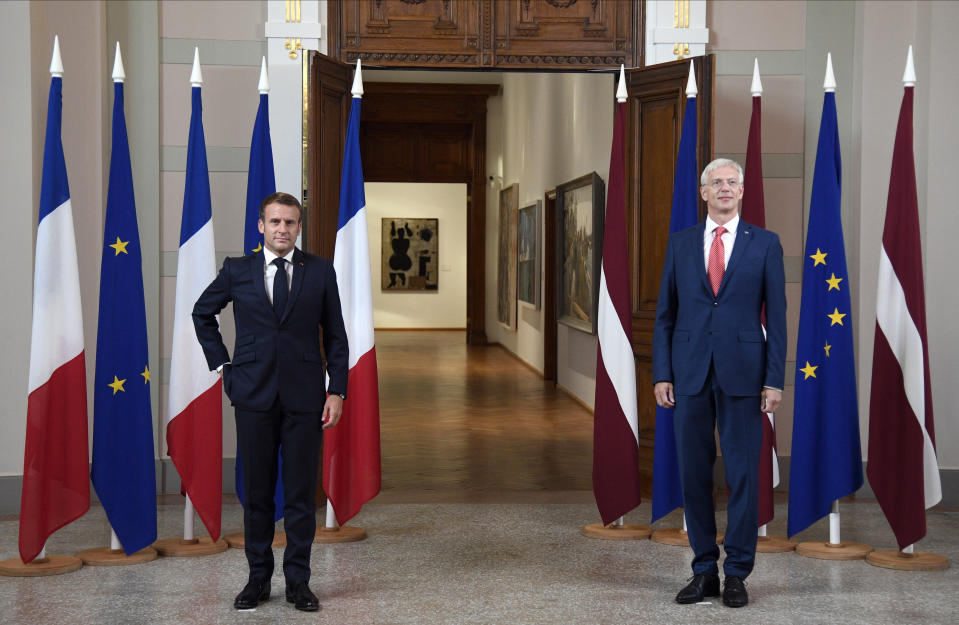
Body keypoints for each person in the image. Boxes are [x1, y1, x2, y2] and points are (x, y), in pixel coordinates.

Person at [193, 192, 349, 612]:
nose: (283, 230)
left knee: (300, 496)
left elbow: (336, 335)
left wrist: (337, 390)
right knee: (258, 494)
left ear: (299, 227)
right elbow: (201, 314)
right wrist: (223, 365)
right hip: (252, 395)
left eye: (291, 223)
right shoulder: (238, 270)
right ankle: (257, 580)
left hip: (305, 398)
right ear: (260, 226)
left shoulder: (318, 271)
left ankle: (299, 582)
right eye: (276, 222)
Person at [652, 158, 786, 608]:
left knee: (744, 474)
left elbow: (779, 319)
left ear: (742, 191)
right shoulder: (680, 244)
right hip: (688, 374)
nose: (725, 188)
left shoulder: (765, 244)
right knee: (694, 473)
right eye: (716, 183)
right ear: (703, 192)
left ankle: (737, 574)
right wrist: (662, 372)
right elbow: (666, 316)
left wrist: (774, 380)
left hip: (746, 375)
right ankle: (704, 570)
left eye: (732, 182)